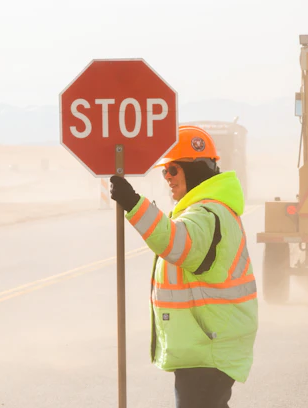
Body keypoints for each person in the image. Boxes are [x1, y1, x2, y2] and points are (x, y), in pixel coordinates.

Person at [109, 125, 259, 408]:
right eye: (164, 171)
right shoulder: (206, 209)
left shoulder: (207, 212)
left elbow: (180, 244)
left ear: (197, 169)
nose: (167, 177)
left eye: (173, 170)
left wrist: (133, 203)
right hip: (206, 343)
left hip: (208, 346)